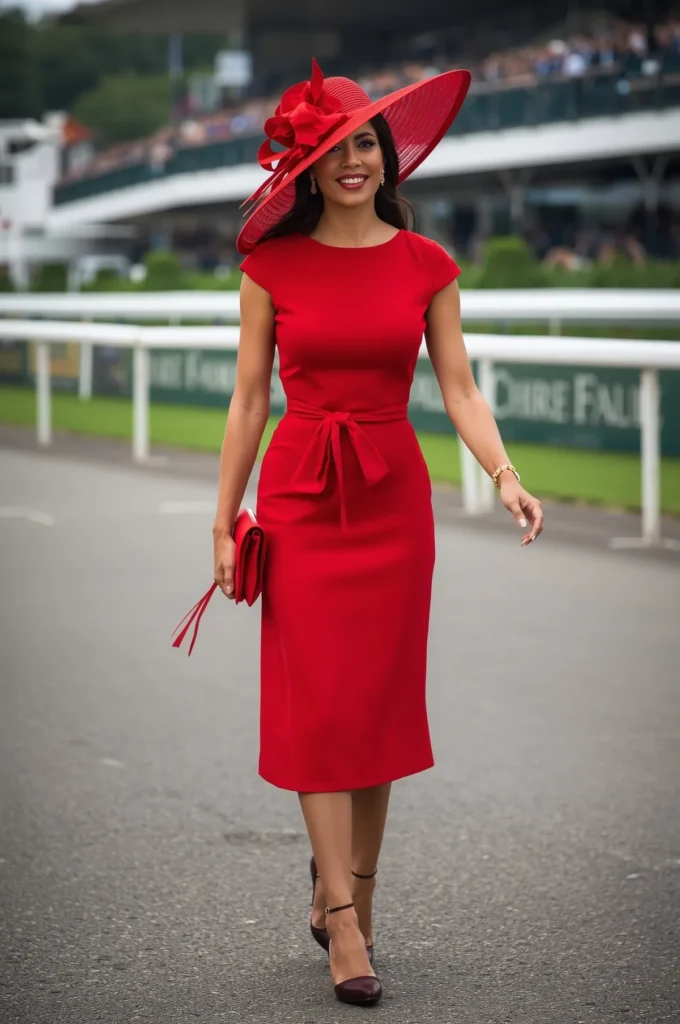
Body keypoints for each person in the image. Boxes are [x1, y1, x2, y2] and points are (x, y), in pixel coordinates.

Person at [211, 58, 544, 1008]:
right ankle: (345, 930)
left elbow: (460, 389)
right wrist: (226, 518)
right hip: (303, 494)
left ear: (386, 156)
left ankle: (352, 890)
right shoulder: (268, 269)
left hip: (394, 501)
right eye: (333, 147)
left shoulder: (428, 264)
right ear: (305, 168)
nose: (353, 160)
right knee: (318, 701)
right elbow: (245, 405)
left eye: (366, 143)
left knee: (379, 707)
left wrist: (506, 475)